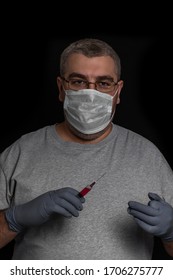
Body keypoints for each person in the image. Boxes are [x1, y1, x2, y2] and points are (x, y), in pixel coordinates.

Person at [0, 38, 173, 260]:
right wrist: (14, 218)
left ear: (118, 91)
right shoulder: (21, 152)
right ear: (61, 88)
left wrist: (170, 232)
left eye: (103, 83)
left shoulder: (148, 156)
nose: (91, 95)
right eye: (79, 82)